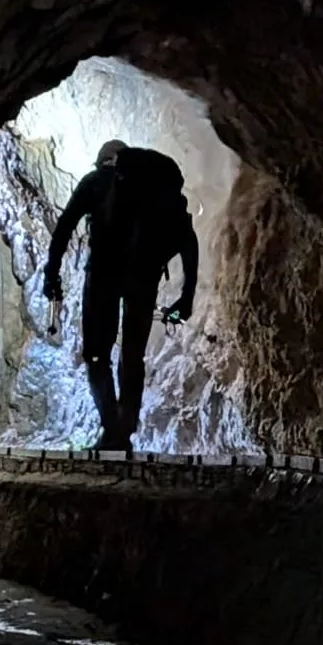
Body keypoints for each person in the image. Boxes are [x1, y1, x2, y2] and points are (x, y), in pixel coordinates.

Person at [41, 138, 198, 450]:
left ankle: (112, 429)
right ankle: (124, 431)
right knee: (133, 355)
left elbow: (64, 226)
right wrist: (187, 295)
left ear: (103, 160)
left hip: (103, 275)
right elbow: (187, 238)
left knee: (96, 355)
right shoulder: (157, 189)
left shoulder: (96, 181)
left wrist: (52, 273)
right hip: (144, 277)